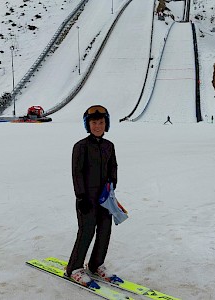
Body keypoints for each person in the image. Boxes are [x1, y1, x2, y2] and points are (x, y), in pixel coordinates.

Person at [65, 105, 120, 288]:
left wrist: (112, 184)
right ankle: (74, 268)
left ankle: (96, 264)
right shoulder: (81, 147)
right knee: (87, 231)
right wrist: (81, 197)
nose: (98, 126)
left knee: (105, 230)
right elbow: (77, 173)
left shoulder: (109, 146)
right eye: (94, 123)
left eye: (101, 122)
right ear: (88, 125)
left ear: (107, 124)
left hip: (104, 198)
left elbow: (114, 167)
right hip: (87, 198)